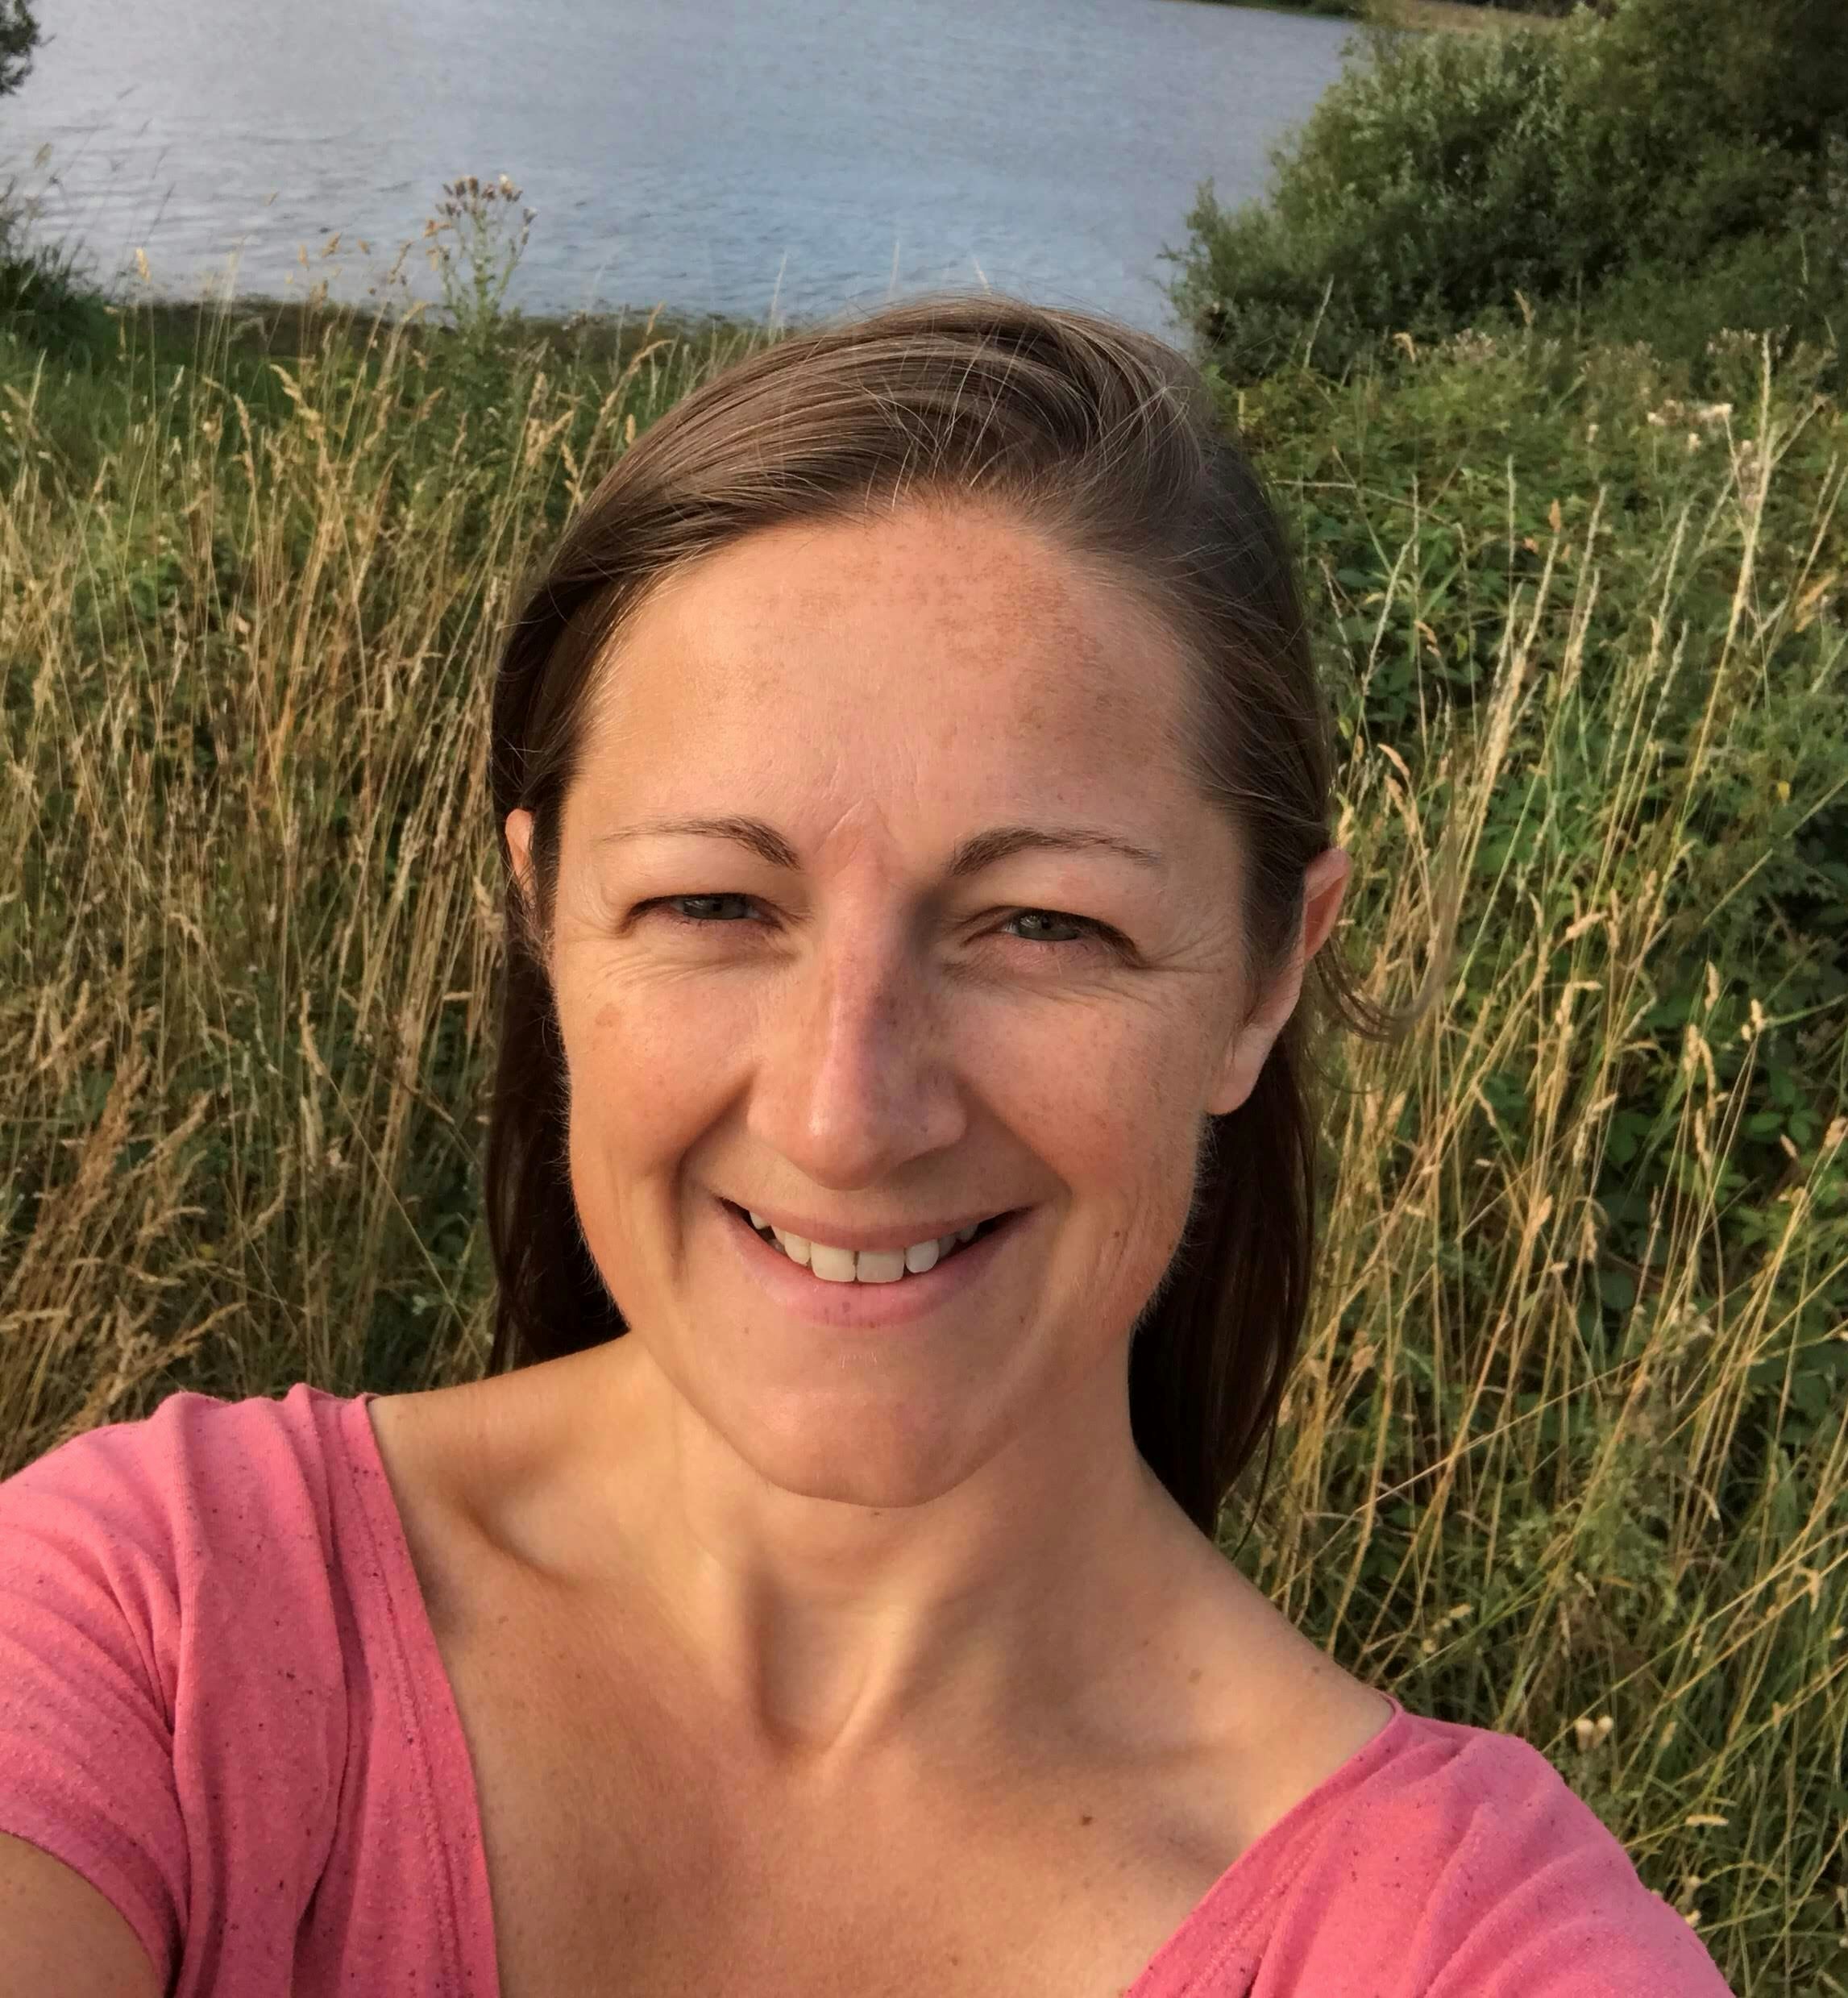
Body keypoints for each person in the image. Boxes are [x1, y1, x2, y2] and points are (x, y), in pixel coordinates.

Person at [0, 293, 1734, 1997]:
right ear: (543, 917)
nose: (844, 1108)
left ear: (1267, 975)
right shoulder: (159, 1630)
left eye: (1041, 927)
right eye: (711, 902)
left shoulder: (1463, 1944)